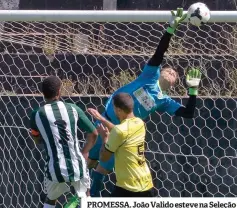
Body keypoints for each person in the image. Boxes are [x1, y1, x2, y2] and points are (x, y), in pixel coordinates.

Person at [87, 8, 202, 197]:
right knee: (88, 161)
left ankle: (89, 200)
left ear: (172, 85)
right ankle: (79, 190)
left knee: (102, 169)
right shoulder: (149, 76)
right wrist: (172, 27)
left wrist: (193, 91)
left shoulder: (164, 101)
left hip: (119, 134)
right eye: (170, 69)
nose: (173, 72)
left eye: (176, 75)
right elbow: (160, 52)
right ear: (161, 71)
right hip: (103, 120)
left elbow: (188, 113)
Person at [30, 76, 98, 208]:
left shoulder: (36, 114)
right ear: (59, 91)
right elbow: (94, 133)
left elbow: (36, 138)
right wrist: (84, 152)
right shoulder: (73, 109)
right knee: (86, 197)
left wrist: (37, 138)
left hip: (54, 167)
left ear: (43, 93)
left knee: (50, 199)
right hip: (77, 164)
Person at [96, 93, 154, 197]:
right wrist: (102, 119)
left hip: (129, 186)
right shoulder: (139, 123)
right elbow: (120, 132)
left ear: (118, 110)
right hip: (146, 182)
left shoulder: (119, 131)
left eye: (113, 107)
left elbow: (104, 157)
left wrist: (105, 138)